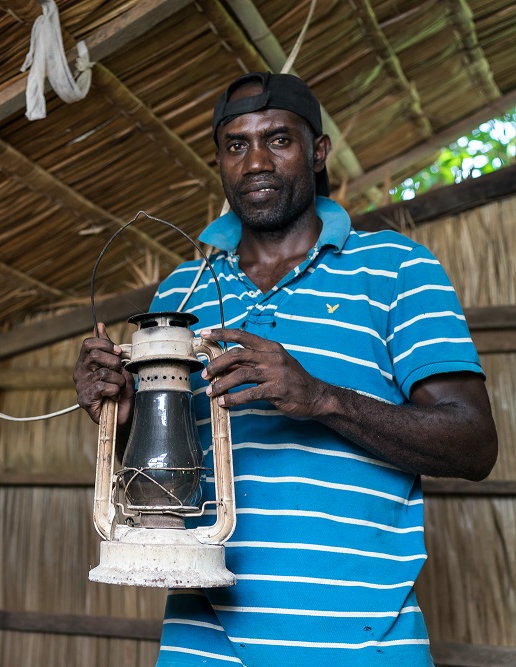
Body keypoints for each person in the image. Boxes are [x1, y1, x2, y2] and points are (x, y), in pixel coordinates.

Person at [74, 72, 497, 666]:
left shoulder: (397, 269)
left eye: (278, 139)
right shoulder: (182, 291)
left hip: (360, 640)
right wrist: (119, 422)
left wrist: (323, 397)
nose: (255, 163)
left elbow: (475, 446)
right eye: (236, 144)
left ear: (317, 151)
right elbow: (157, 472)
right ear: (219, 160)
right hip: (204, 635)